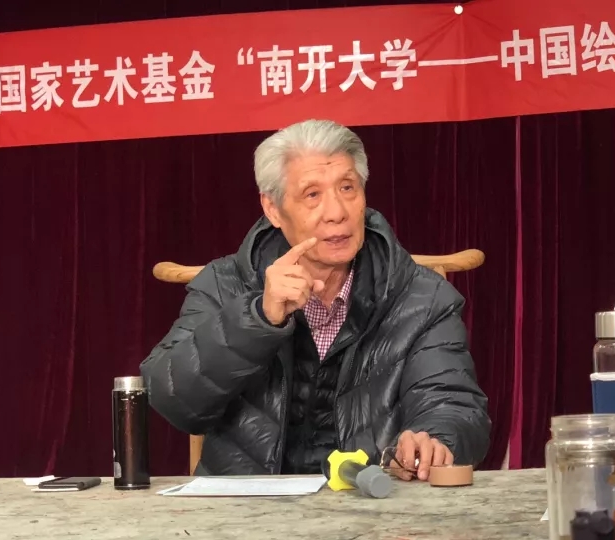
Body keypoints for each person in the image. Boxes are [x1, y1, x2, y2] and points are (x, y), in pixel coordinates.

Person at [140, 119, 491, 480]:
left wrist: (435, 439)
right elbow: (172, 398)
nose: (337, 212)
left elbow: (453, 404)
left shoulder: (423, 298)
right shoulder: (224, 283)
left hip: (371, 500)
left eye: (347, 188)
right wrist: (257, 319)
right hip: (248, 505)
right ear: (273, 209)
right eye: (312, 195)